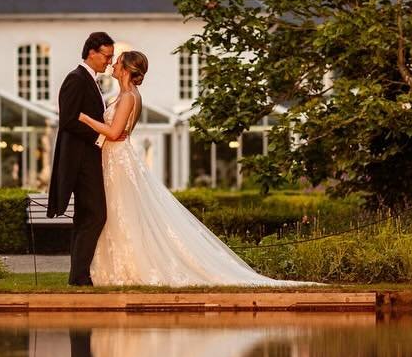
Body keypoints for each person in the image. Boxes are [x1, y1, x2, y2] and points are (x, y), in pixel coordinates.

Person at [77, 51, 313, 287]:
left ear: (127, 69)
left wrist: (84, 118)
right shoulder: (126, 95)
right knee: (118, 214)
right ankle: (115, 266)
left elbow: (115, 132)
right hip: (113, 158)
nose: (114, 65)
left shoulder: (129, 96)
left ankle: (127, 267)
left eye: (117, 63)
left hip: (118, 159)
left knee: (123, 213)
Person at [48, 31, 115, 286]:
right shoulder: (76, 79)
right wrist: (99, 138)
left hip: (87, 160)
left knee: (86, 216)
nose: (108, 62)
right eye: (106, 56)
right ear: (92, 53)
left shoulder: (90, 80)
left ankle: (78, 275)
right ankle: (79, 275)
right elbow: (67, 120)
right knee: (96, 215)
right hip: (80, 161)